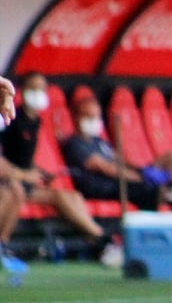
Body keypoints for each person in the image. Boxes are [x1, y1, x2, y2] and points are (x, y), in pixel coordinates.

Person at [0, 72, 123, 265]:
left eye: (42, 89)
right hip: (9, 180)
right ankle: (102, 239)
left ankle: (99, 239)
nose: (39, 94)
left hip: (24, 179)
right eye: (34, 89)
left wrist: (38, 171)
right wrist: (22, 174)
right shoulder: (11, 118)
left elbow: (23, 159)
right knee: (16, 193)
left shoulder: (36, 121)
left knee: (71, 196)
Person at [60, 88, 172, 211]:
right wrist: (141, 178)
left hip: (121, 179)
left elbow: (118, 159)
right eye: (89, 117)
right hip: (105, 186)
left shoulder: (98, 141)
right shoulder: (74, 143)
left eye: (96, 117)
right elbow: (105, 168)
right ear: (76, 117)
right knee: (167, 195)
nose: (94, 121)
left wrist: (143, 170)